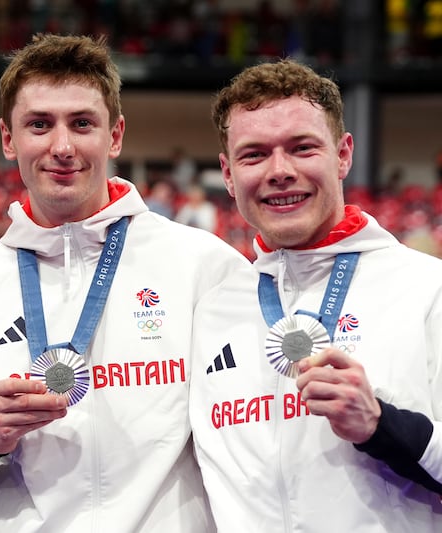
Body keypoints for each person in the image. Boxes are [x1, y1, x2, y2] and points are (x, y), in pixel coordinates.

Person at [0, 33, 249, 532]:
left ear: (115, 135)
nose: (61, 147)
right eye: (39, 125)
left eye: (82, 123)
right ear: (8, 139)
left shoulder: (204, 269)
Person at [189, 58, 442, 532]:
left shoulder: (427, 289)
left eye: (302, 148)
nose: (279, 171)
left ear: (343, 153)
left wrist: (380, 424)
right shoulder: (213, 308)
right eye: (254, 154)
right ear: (227, 173)